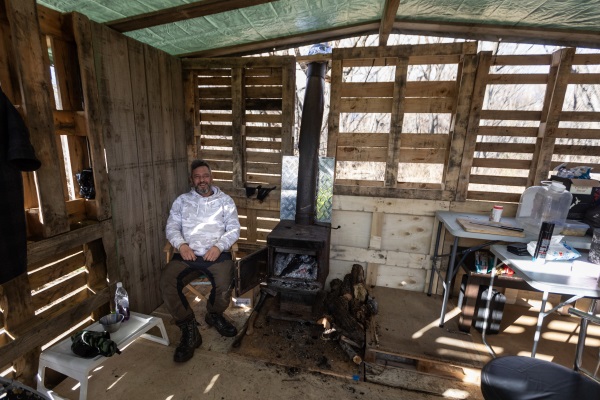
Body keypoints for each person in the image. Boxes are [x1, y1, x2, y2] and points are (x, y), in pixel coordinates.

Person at [161, 159, 241, 362]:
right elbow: (172, 227)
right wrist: (181, 245)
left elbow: (233, 229)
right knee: (167, 282)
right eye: (197, 177)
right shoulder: (181, 201)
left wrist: (219, 246)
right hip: (187, 254)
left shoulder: (225, 201)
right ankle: (188, 327)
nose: (202, 180)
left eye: (205, 176)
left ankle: (214, 314)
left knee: (224, 284)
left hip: (216, 254)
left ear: (211, 178)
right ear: (192, 180)